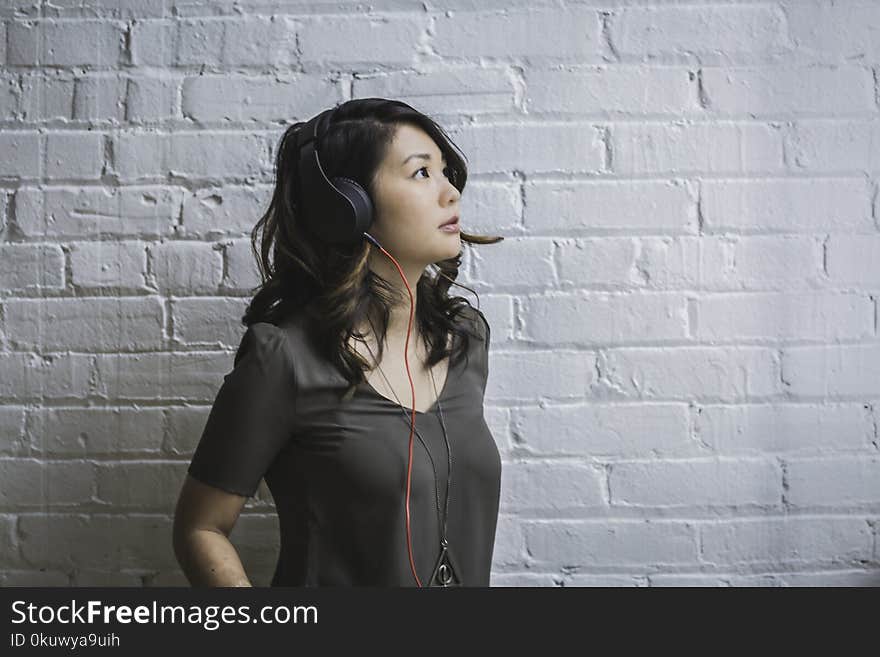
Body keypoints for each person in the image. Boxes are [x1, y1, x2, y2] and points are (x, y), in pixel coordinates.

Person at [172, 98, 504, 587]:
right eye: (421, 174)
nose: (451, 192)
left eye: (445, 172)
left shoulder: (465, 339)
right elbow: (200, 528)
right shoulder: (283, 357)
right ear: (348, 207)